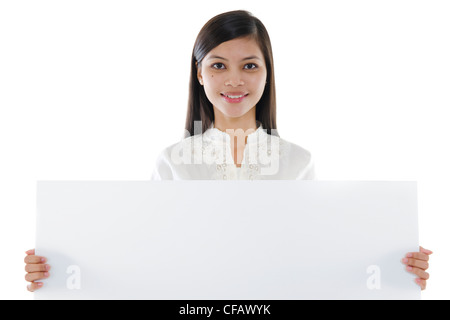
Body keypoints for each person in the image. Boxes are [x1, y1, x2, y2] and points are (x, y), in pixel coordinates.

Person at [24, 10, 432, 292]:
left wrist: (393, 263)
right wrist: (61, 268)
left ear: (267, 73)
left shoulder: (298, 161)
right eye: (218, 65)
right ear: (199, 74)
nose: (234, 80)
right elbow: (143, 254)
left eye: (249, 65)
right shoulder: (173, 161)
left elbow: (317, 256)